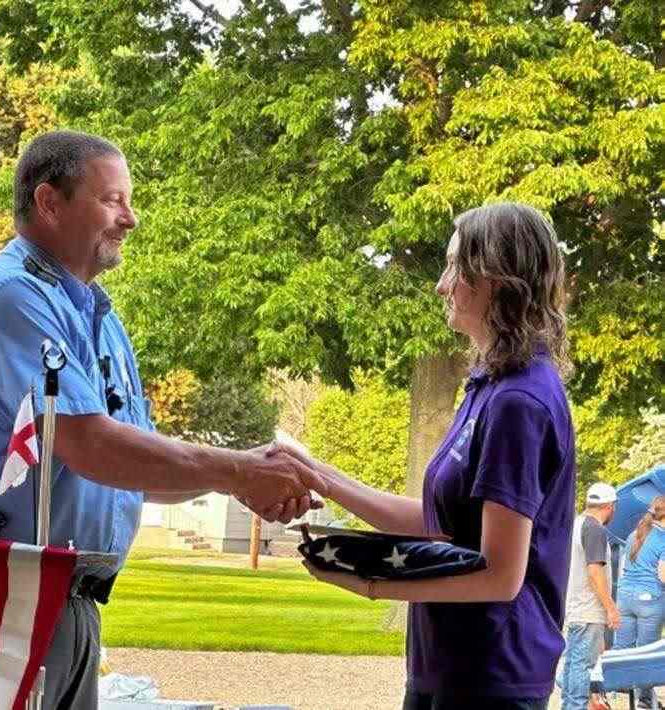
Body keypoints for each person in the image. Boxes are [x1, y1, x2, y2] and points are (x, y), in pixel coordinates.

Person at [0, 130, 325, 710]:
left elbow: (135, 466)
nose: (130, 219)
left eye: (128, 200)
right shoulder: (12, 299)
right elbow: (89, 445)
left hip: (65, 607)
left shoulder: (101, 321)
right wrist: (238, 470)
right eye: (112, 200)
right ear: (49, 202)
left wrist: (246, 474)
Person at [269, 202, 576, 709]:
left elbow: (502, 574)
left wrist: (372, 583)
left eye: (455, 267)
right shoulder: (490, 388)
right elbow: (441, 524)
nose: (441, 284)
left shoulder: (520, 401)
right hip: (449, 666)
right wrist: (321, 476)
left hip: (491, 676)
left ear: (497, 279)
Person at [558, 482, 621, 710]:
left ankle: (569, 706)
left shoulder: (575, 524)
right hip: (587, 609)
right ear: (610, 506)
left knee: (573, 665)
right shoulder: (595, 528)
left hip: (574, 607)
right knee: (581, 667)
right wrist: (610, 608)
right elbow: (595, 571)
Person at [611, 495, 665, 709]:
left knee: (623, 650)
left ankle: (613, 696)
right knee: (647, 654)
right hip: (649, 601)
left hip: (625, 598)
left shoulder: (635, 534)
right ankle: (644, 702)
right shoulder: (663, 538)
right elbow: (663, 576)